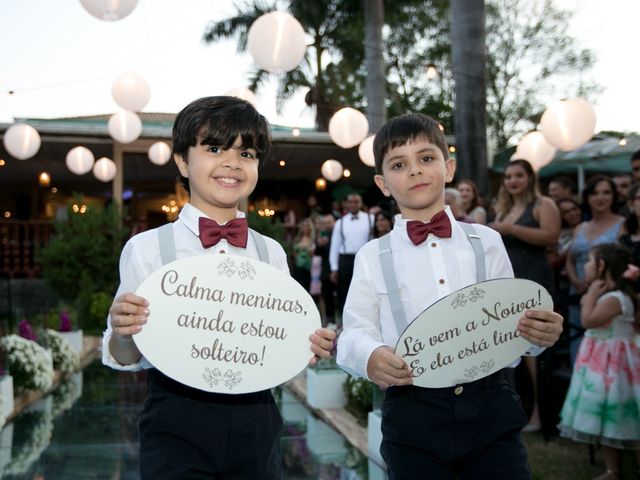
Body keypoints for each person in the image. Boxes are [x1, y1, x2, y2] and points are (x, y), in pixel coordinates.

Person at [102, 96, 335, 479]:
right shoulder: (147, 249)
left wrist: (306, 344)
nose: (231, 163)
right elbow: (125, 356)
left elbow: (279, 337)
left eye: (246, 153)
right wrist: (124, 332)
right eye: (213, 148)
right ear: (182, 160)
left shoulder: (269, 251)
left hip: (257, 422)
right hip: (175, 424)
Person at [336, 113, 564, 479]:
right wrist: (371, 355)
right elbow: (354, 332)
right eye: (399, 164)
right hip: (413, 415)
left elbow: (512, 323)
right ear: (382, 183)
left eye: (426, 158)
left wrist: (537, 336)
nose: (414, 171)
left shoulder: (486, 242)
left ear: (449, 167)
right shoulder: (372, 256)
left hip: (491, 407)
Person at [489, 158, 561, 434]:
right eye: (508, 176)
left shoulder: (544, 204)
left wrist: (513, 229)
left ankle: (541, 416)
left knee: (535, 352)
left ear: (530, 177)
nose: (512, 181)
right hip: (509, 285)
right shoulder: (504, 207)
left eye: (518, 175)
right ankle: (517, 410)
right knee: (512, 349)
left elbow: (551, 236)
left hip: (535, 281)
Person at [558, 243, 640, 480]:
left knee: (625, 417)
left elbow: (588, 320)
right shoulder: (609, 294)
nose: (586, 265)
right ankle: (612, 470)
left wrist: (591, 294)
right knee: (605, 418)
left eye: (590, 261)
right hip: (601, 364)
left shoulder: (615, 298)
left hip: (615, 367)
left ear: (602, 265)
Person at [566, 175, 626, 365]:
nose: (600, 197)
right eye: (595, 193)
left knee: (604, 345)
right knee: (576, 341)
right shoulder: (580, 227)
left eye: (606, 192)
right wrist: (576, 280)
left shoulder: (622, 224)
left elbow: (623, 260)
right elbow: (570, 259)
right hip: (577, 293)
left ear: (613, 196)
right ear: (587, 197)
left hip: (608, 295)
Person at [329, 193, 374, 319]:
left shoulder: (371, 219)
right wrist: (334, 268)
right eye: (351, 202)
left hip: (365, 259)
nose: (353, 204)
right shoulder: (340, 222)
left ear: (361, 203)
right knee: (345, 292)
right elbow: (335, 246)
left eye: (356, 201)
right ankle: (344, 321)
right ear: (346, 204)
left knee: (365, 291)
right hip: (346, 260)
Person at [292, 217, 315, 292]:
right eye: (303, 226)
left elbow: (313, 254)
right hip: (297, 267)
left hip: (307, 268)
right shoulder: (298, 239)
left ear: (310, 228)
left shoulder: (312, 240)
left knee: (305, 288)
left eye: (306, 226)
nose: (305, 228)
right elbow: (293, 253)